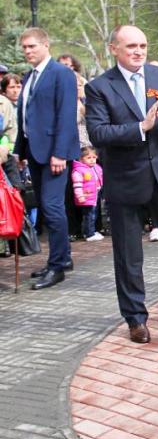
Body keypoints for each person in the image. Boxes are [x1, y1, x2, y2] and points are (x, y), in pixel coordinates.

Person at [85, 24, 158, 344]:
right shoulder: (99, 87)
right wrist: (141, 126)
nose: (138, 51)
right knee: (129, 254)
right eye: (131, 46)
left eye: (143, 46)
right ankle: (135, 318)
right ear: (114, 49)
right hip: (125, 180)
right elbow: (98, 133)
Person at [14, 28, 80, 290]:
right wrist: (20, 150)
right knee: (46, 208)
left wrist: (60, 153)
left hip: (54, 153)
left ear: (45, 44)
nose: (27, 51)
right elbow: (26, 116)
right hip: (34, 152)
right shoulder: (29, 76)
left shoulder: (61, 73)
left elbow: (66, 114)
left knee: (52, 209)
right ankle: (62, 259)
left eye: (31, 46)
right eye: (24, 48)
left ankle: (57, 267)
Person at [71, 146, 104, 241]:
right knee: (89, 215)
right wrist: (80, 196)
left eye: (94, 157)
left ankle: (91, 231)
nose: (92, 160)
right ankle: (89, 233)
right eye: (89, 158)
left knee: (94, 214)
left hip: (95, 195)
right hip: (87, 197)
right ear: (81, 159)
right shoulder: (79, 171)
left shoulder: (96, 168)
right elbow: (77, 185)